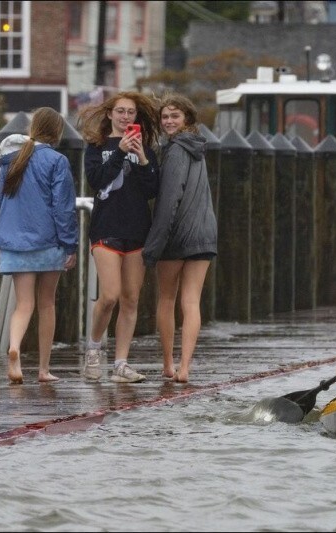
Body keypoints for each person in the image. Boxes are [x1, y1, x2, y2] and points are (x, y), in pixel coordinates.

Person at [77, 91, 160, 383]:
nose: (126, 117)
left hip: (137, 229)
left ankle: (121, 364)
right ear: (110, 114)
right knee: (109, 296)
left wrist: (140, 158)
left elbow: (152, 190)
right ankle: (94, 348)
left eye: (131, 113)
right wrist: (121, 151)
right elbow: (97, 180)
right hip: (106, 228)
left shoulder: (145, 148)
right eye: (121, 111)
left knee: (130, 299)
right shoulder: (96, 146)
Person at [0, 108, 78, 384]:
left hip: (15, 242)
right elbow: (62, 207)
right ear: (57, 131)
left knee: (23, 304)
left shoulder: (10, 159)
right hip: (47, 241)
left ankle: (14, 346)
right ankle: (43, 368)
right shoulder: (57, 160)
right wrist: (70, 245)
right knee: (46, 303)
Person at [142, 94, 217, 383]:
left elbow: (169, 199)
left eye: (174, 116)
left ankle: (169, 365)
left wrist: (153, 245)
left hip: (176, 236)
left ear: (187, 119)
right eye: (165, 117)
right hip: (204, 233)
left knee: (167, 298)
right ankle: (186, 366)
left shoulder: (174, 150)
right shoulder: (198, 147)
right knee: (192, 302)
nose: (168, 121)